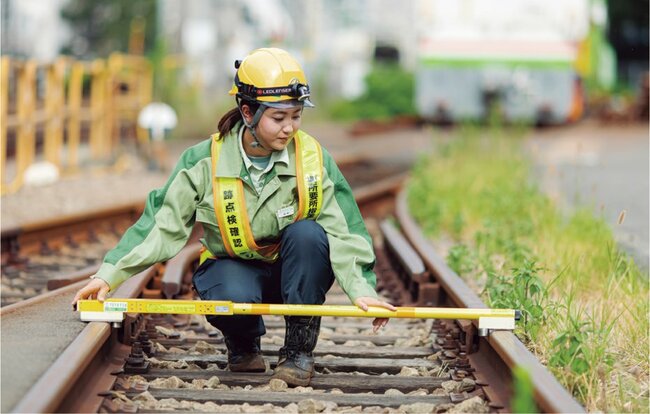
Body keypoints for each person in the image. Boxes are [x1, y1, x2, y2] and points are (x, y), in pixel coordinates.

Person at [72, 47, 395, 386]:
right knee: (230, 290)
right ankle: (243, 345)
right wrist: (108, 276)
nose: (289, 128)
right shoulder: (204, 160)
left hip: (294, 271)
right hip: (233, 271)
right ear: (247, 112)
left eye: (296, 116)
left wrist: (361, 289)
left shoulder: (312, 157)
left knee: (309, 235)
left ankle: (298, 352)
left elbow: (344, 228)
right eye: (278, 118)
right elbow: (161, 224)